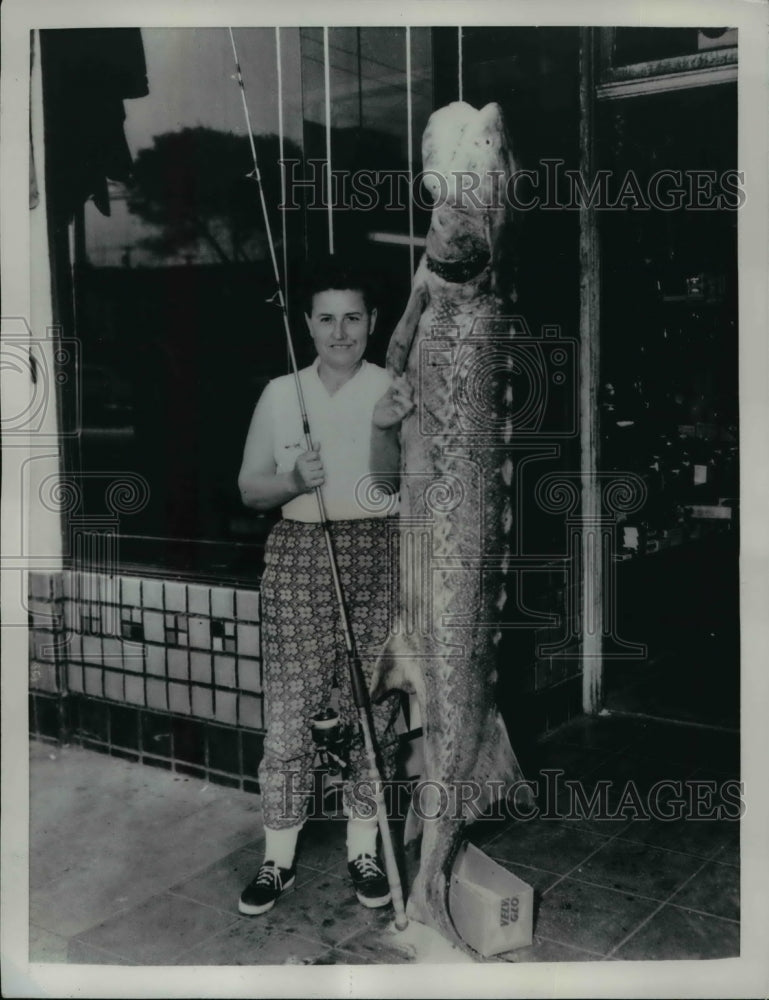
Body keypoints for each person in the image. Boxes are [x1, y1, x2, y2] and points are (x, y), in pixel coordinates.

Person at [236, 257, 414, 916]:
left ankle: (363, 850)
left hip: (378, 554)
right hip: (298, 557)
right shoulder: (281, 394)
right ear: (306, 324)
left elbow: (388, 491)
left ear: (371, 322)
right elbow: (251, 488)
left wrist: (382, 430)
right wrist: (292, 482)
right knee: (290, 713)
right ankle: (276, 860)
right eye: (326, 318)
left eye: (353, 317)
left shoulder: (394, 387)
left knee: (372, 710)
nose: (340, 331)